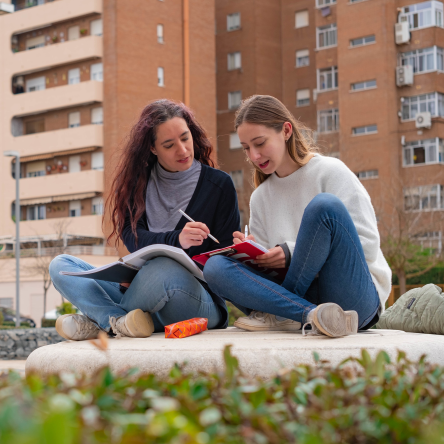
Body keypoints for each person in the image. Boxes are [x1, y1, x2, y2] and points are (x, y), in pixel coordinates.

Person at [49, 99, 240, 341]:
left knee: (162, 269)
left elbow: (224, 258)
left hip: (198, 301)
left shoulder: (219, 185)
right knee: (61, 266)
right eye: (169, 145)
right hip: (142, 291)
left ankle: (101, 322)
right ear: (152, 149)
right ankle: (118, 321)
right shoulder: (138, 184)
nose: (182, 150)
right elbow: (133, 238)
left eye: (185, 138)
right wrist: (176, 239)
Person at [203, 95, 392, 337]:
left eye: (260, 143)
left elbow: (365, 245)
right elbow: (270, 274)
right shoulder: (260, 197)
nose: (254, 156)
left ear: (286, 130)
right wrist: (252, 255)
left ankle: (284, 315)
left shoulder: (330, 172)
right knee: (216, 267)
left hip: (351, 299)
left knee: (324, 207)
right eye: (247, 148)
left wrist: (291, 252)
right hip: (305, 305)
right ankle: (306, 314)